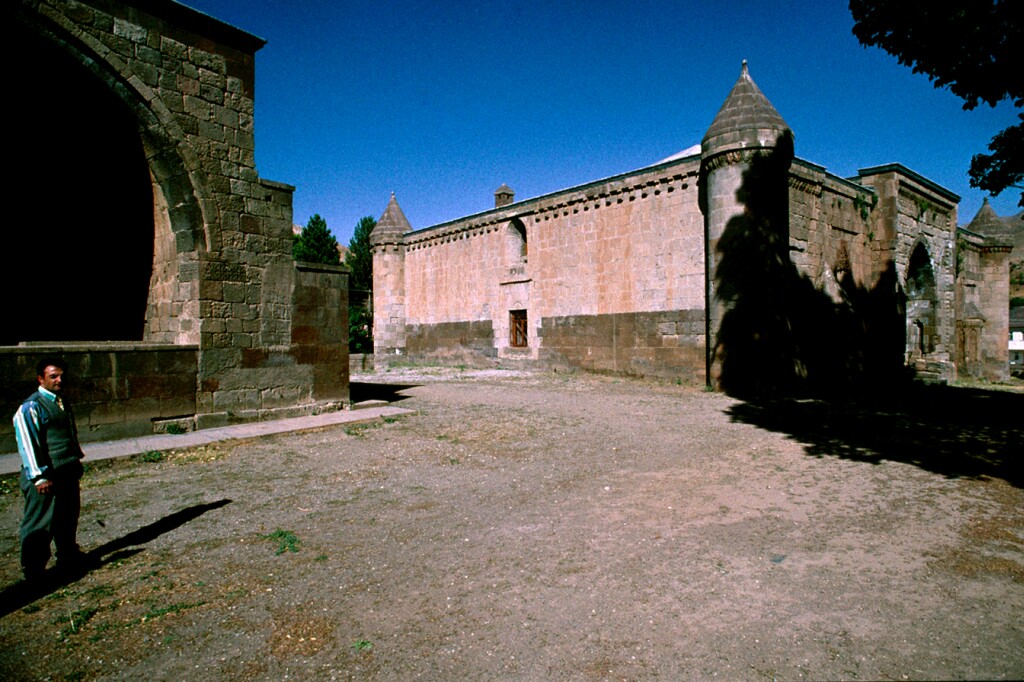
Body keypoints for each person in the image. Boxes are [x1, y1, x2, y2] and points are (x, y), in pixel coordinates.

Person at [14, 358, 87, 582]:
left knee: (67, 516)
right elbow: (28, 443)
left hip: (66, 471)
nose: (59, 380)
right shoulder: (31, 407)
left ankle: (67, 556)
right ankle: (34, 570)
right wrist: (39, 476)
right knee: (40, 522)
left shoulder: (61, 401)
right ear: (41, 379)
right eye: (53, 376)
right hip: (46, 476)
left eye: (62, 376)